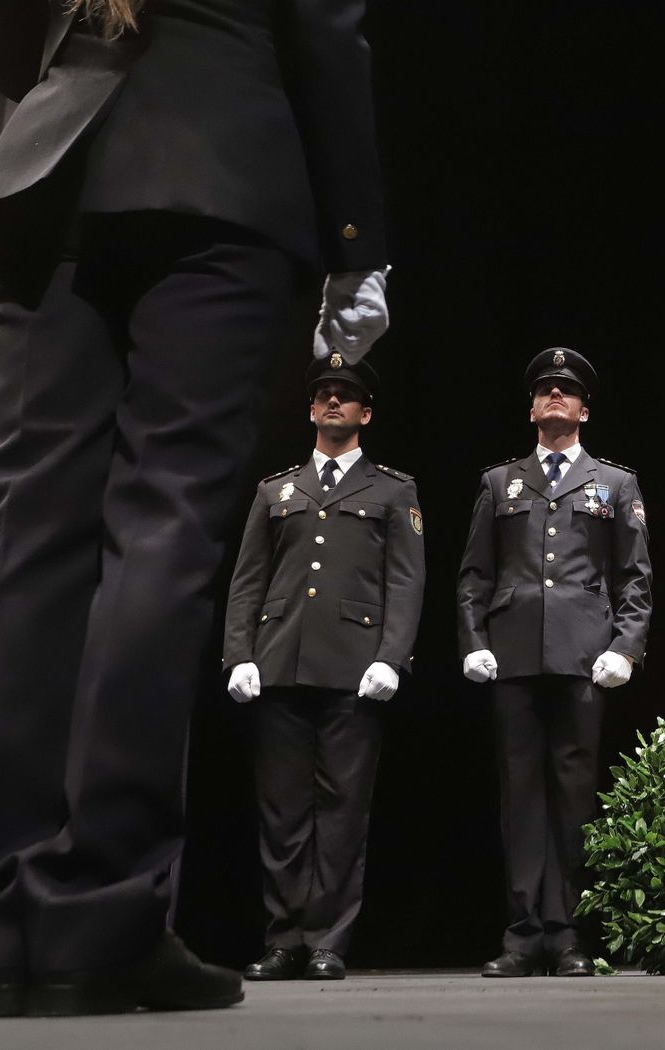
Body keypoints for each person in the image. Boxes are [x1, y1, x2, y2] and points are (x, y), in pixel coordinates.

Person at [0, 0, 388, 1018]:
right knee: (163, 527)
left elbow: (13, 42)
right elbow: (322, 29)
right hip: (217, 165)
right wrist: (359, 239)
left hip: (52, 166)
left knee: (22, 534)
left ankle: (10, 923)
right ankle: (98, 910)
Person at [221, 358, 423, 983]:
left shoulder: (393, 490)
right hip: (279, 662)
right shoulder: (275, 490)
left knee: (341, 813)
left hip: (354, 668)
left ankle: (329, 941)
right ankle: (284, 939)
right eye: (324, 396)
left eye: (347, 396)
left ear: (366, 413)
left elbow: (406, 580)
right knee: (281, 812)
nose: (333, 402)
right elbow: (248, 578)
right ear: (311, 410)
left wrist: (392, 656)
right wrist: (238, 654)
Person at [457, 348, 653, 978]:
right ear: (532, 407)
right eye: (544, 389)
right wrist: (474, 641)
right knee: (520, 796)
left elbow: (635, 580)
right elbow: (473, 578)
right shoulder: (499, 482)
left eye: (567, 390)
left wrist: (624, 647)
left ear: (585, 409)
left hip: (582, 658)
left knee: (573, 798)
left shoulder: (614, 484)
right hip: (512, 657)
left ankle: (568, 934)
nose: (555, 397)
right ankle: (521, 935)